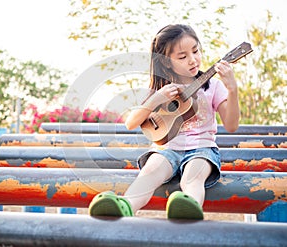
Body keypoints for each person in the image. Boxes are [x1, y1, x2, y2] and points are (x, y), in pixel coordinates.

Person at [88, 24, 240, 219]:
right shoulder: (163, 89)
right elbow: (131, 123)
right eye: (183, 56)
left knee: (192, 178)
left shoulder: (213, 86)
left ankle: (188, 208)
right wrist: (156, 99)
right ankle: (125, 206)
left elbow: (231, 125)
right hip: (166, 149)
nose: (193, 60)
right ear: (167, 62)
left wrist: (232, 89)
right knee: (149, 173)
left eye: (196, 51)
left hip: (202, 149)